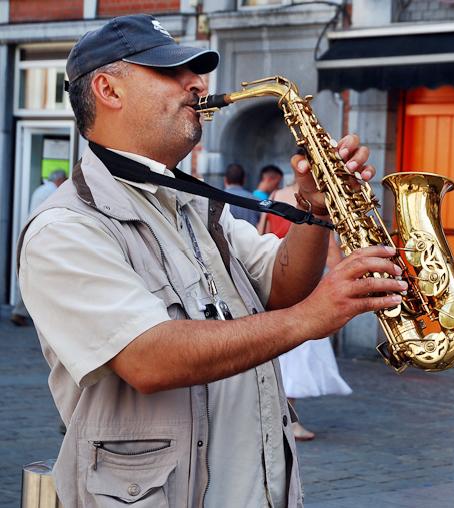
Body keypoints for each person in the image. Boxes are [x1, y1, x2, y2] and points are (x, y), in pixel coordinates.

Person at [16, 14, 404, 508]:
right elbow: (148, 357)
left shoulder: (195, 204)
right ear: (108, 89)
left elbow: (282, 287)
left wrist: (314, 206)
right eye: (171, 72)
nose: (197, 84)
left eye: (195, 72)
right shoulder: (67, 226)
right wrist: (311, 319)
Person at [262, 161, 352, 441]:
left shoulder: (276, 196)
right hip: (303, 282)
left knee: (279, 355)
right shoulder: (318, 203)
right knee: (297, 357)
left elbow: (261, 232)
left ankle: (279, 418)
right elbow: (332, 257)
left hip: (272, 270)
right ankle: (289, 420)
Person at [10, 169, 67, 326]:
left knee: (29, 273)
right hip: (41, 237)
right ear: (60, 179)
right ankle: (20, 312)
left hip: (34, 235)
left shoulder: (42, 189)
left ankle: (21, 312)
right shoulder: (52, 191)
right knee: (33, 275)